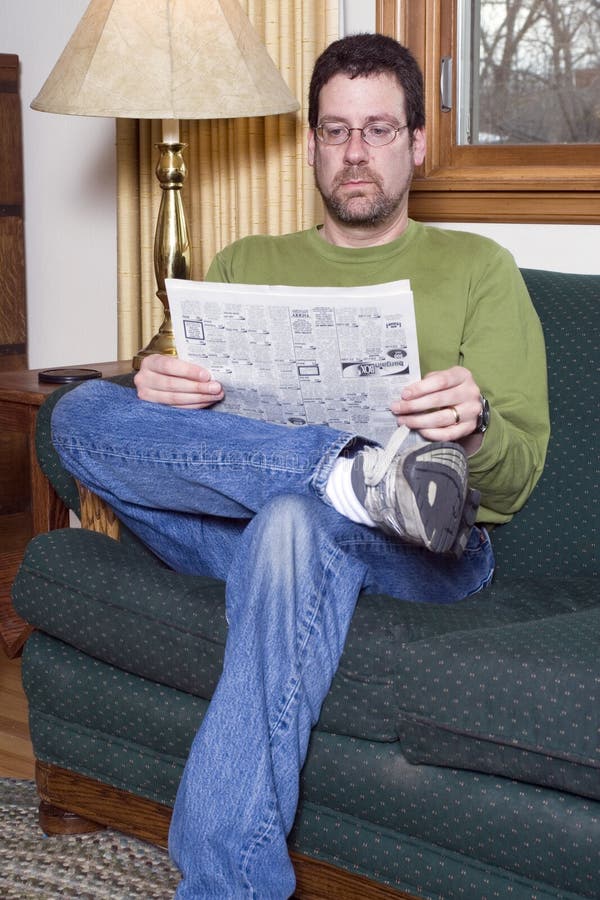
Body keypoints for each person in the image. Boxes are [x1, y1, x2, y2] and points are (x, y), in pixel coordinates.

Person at [51, 33, 549, 900]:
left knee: (291, 521)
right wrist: (152, 383)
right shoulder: (247, 263)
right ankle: (348, 470)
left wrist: (469, 434)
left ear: (418, 144)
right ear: (311, 144)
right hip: (244, 518)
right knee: (82, 412)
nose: (355, 154)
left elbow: (513, 481)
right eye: (335, 130)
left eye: (380, 130)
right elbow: (171, 443)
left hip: (422, 554)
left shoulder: (478, 269)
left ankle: (224, 885)